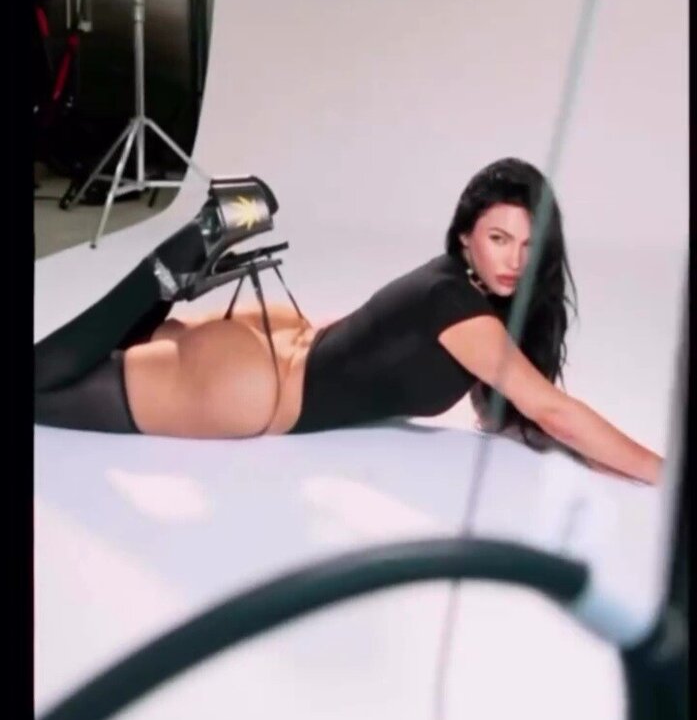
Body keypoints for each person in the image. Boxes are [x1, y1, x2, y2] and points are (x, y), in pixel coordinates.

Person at [34, 158, 663, 485]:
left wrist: (605, 461)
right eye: (499, 239)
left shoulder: (450, 282)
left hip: (274, 339)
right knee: (35, 386)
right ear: (466, 236)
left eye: (528, 246)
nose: (514, 261)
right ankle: (169, 264)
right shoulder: (463, 313)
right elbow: (553, 410)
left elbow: (532, 417)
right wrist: (665, 473)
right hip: (253, 386)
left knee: (95, 357)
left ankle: (173, 275)